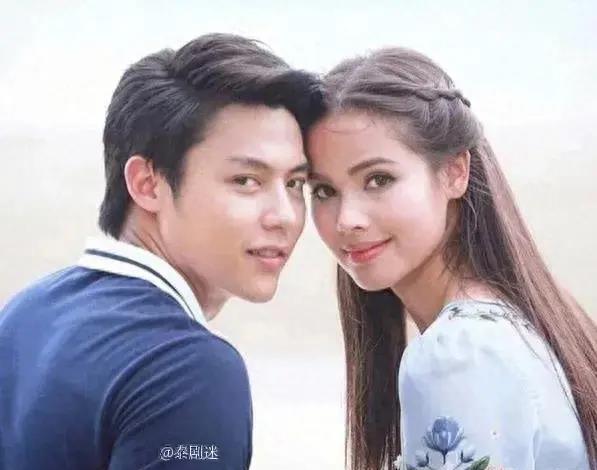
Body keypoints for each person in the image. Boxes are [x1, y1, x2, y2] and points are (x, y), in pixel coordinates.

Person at [0, 33, 322, 469]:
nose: (284, 215)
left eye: (295, 184)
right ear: (147, 184)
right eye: (246, 181)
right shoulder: (188, 371)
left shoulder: (28, 312)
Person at [306, 47, 596, 470]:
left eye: (378, 179)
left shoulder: (458, 355)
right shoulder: (516, 325)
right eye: (323, 190)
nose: (346, 219)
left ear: (454, 172)